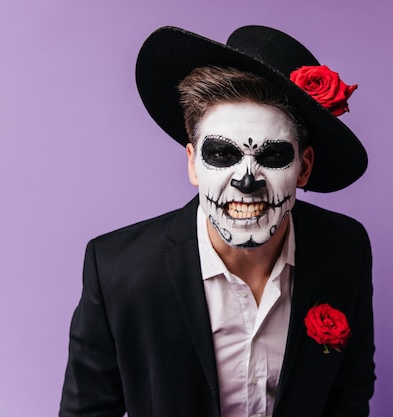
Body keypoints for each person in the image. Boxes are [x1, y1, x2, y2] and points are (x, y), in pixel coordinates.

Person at [60, 25, 375, 417]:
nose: (247, 181)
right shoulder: (117, 270)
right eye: (222, 155)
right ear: (193, 163)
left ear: (304, 167)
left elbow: (349, 394)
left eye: (273, 156)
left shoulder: (346, 249)